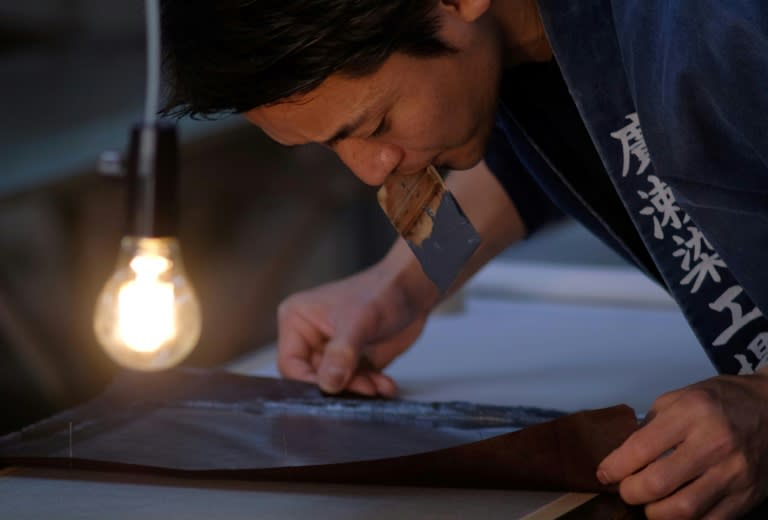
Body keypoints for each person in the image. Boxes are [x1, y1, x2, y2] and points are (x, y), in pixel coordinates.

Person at [160, 1, 768, 518]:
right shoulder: (515, 46)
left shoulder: (715, 30)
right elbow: (536, 162)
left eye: (375, 124)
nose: (370, 169)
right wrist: (403, 283)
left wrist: (762, 407)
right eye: (328, 145)